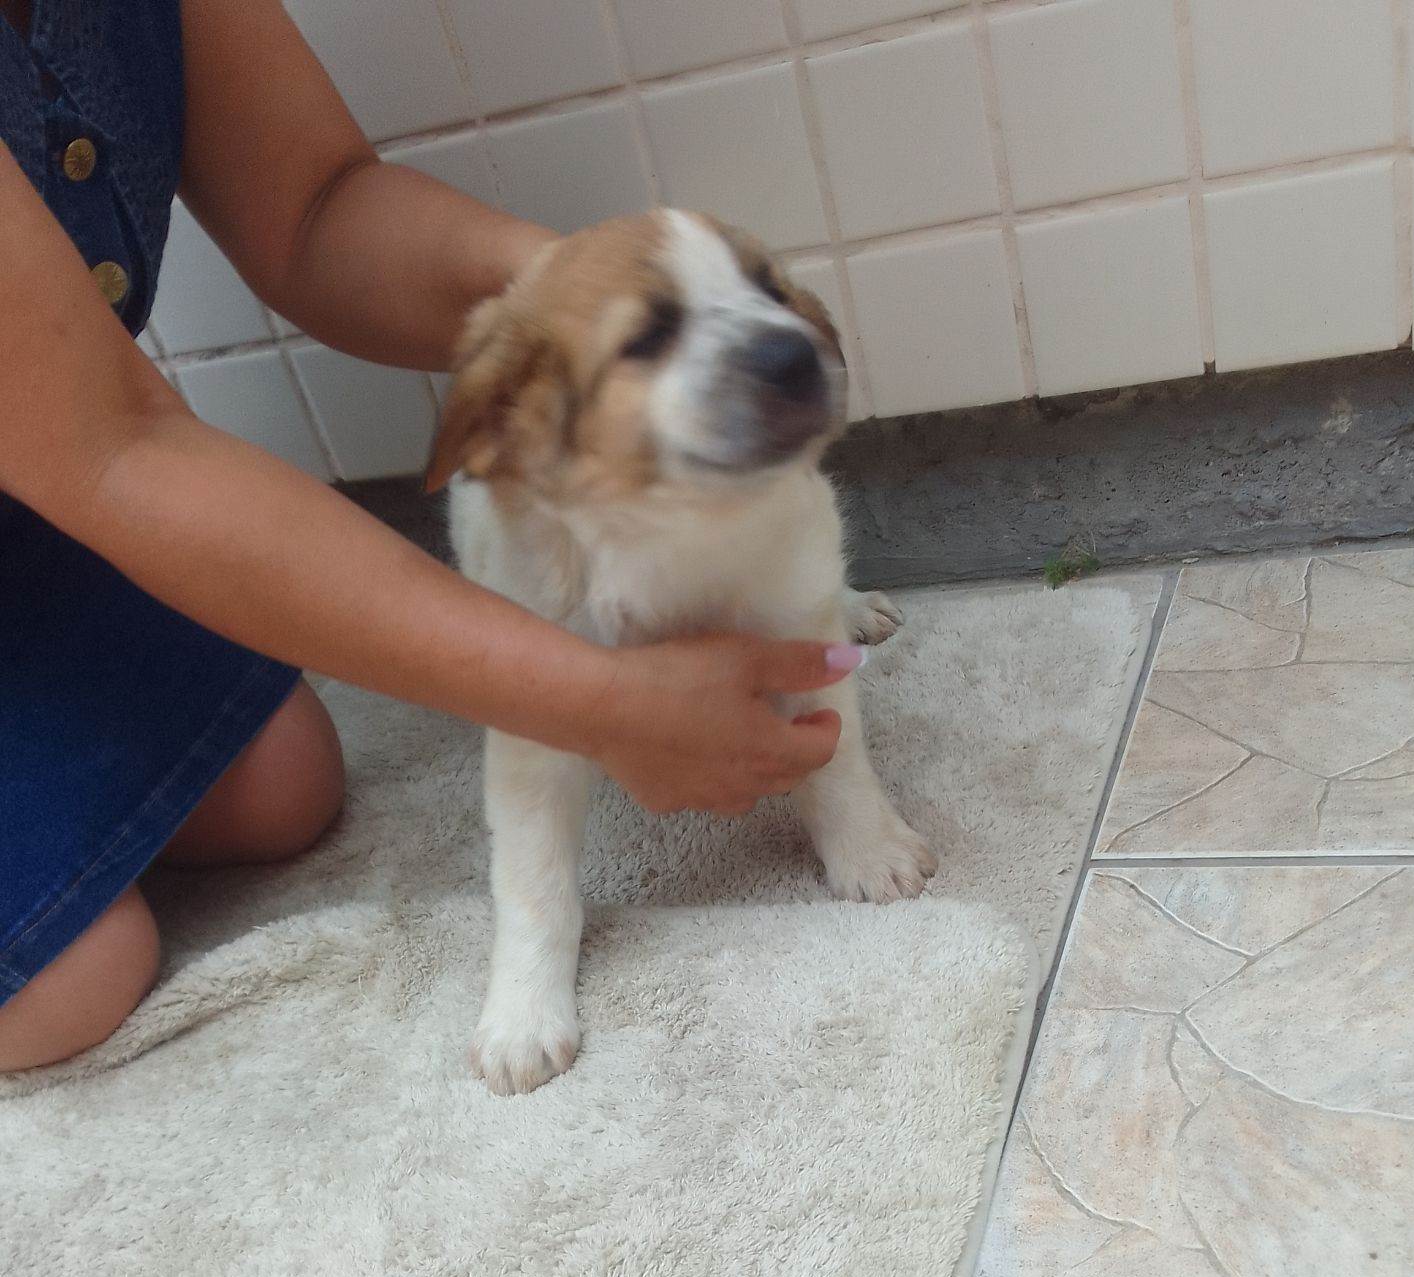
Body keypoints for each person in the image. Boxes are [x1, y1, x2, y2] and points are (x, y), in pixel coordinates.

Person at [0, 0, 852, 1072]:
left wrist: (576, 292)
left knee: (283, 787)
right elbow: (116, 449)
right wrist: (596, 702)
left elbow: (315, 209)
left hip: (35, 510)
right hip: (69, 462)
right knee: (77, 974)